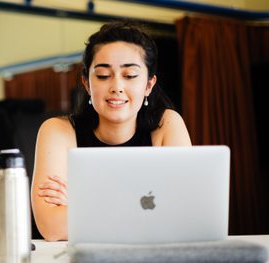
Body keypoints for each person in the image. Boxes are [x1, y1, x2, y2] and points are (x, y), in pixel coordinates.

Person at [31, 20, 192, 241]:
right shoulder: (58, 131)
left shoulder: (167, 125)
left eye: (130, 75)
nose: (116, 86)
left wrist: (83, 205)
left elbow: (184, 217)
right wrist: (145, 209)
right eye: (103, 76)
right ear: (87, 84)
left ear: (148, 85)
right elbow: (53, 227)